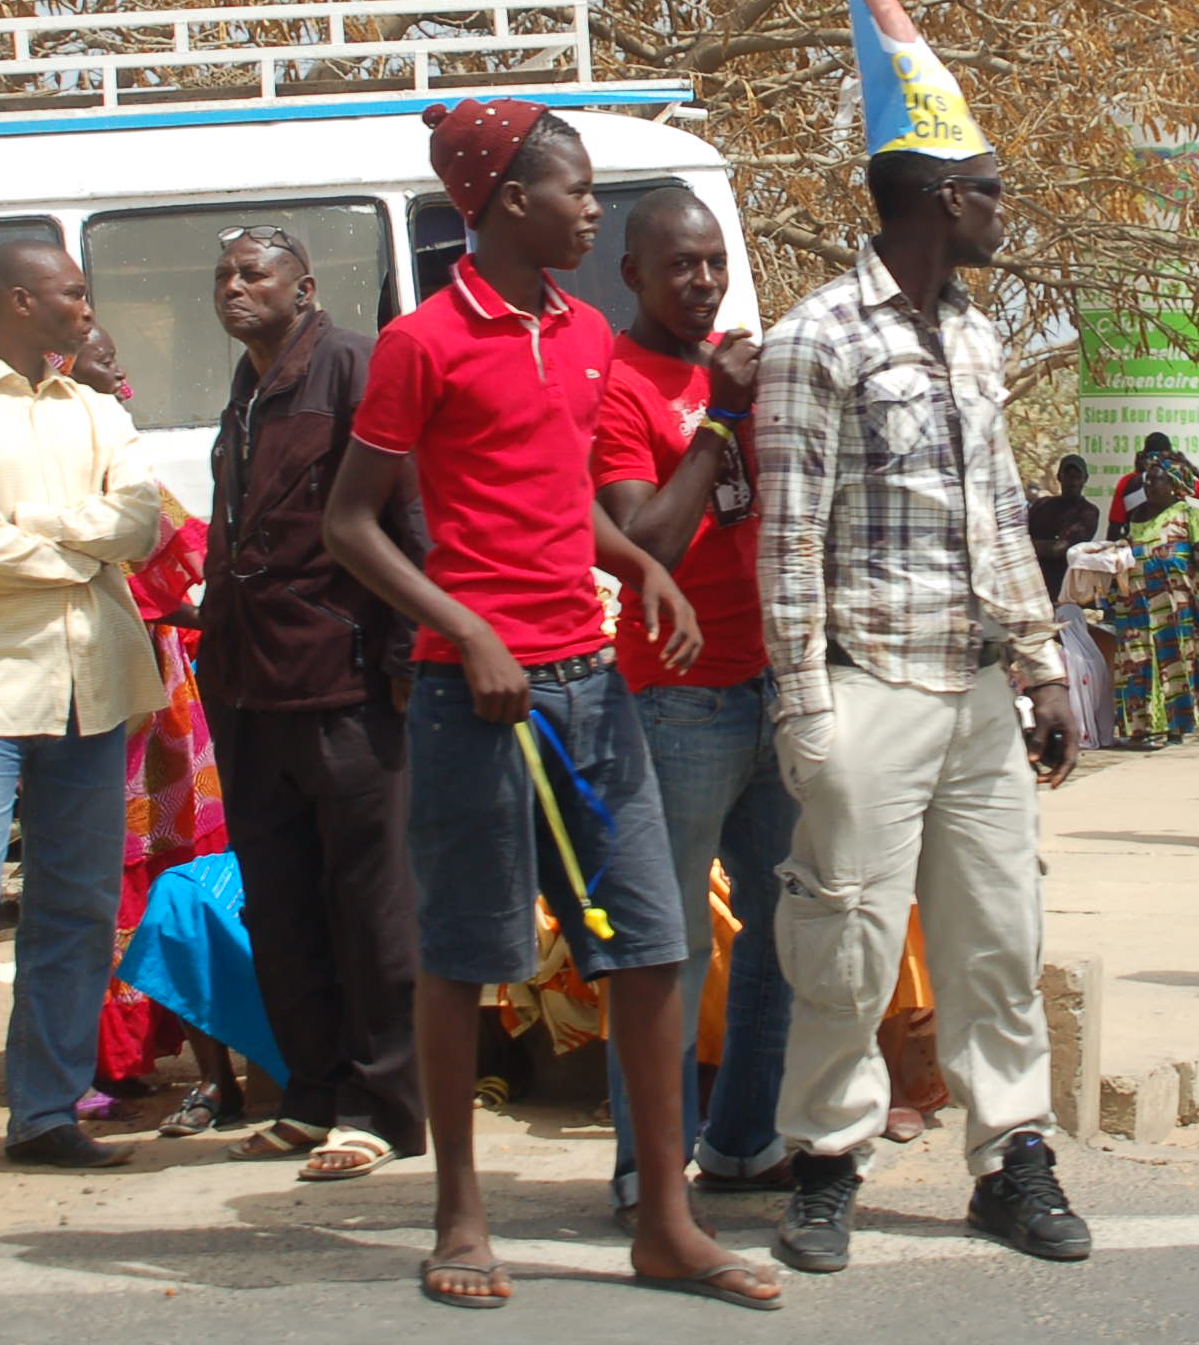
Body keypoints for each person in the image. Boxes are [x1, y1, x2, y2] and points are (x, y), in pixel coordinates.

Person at [324, 97, 772, 1312]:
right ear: (511, 200)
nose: (591, 209)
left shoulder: (581, 336)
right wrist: (465, 628)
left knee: (652, 942)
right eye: (576, 189)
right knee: (465, 954)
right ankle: (459, 1215)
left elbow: (559, 495)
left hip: (591, 680)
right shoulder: (419, 342)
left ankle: (664, 1220)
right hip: (468, 696)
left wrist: (640, 568)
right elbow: (350, 521)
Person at [751, 0, 1092, 1275]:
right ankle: (826, 1161)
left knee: (997, 934)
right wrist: (805, 714)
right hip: (870, 685)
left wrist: (1043, 665)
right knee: (841, 937)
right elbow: (787, 541)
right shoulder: (815, 338)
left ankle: (1012, 1156)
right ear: (942, 196)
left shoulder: (973, 334)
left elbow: (998, 514)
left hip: (976, 694)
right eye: (992, 190)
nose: (1005, 211)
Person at [0, 240, 164, 1212]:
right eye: (71, 292)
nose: (86, 307)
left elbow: (141, 525)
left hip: (92, 689)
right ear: (18, 300)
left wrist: (30, 532)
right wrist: (81, 551)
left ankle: (46, 1114)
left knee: (77, 908)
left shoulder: (99, 410)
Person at [195, 227, 423, 1180]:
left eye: (255, 272)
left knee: (368, 905)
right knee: (281, 905)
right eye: (224, 275)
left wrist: (408, 651)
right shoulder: (247, 389)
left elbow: (407, 513)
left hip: (347, 681)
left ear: (306, 286)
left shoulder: (353, 369)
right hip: (251, 688)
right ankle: (312, 1095)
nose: (234, 286)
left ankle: (384, 1108)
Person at [592, 186, 797, 1218]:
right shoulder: (616, 387)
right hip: (675, 701)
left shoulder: (745, 370)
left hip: (773, 686)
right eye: (680, 264)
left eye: (714, 261)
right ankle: (647, 1165)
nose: (704, 282)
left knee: (785, 925)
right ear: (632, 273)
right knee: (663, 943)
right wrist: (716, 417)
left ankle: (745, 1140)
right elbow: (649, 544)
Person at [61, 331, 241, 1137]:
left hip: (158, 690)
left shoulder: (111, 452)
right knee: (126, 867)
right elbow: (168, 569)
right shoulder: (85, 461)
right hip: (127, 694)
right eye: (102, 357)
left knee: (162, 866)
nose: (120, 368)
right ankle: (109, 1052)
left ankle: (136, 1047)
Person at [1099, 450, 1199, 746]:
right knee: (1135, 663)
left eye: (1155, 481)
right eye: (1147, 481)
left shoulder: (1188, 516)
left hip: (1174, 608)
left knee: (1174, 664)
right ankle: (1141, 728)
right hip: (1135, 607)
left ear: (1173, 485)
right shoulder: (1137, 516)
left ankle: (1174, 725)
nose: (1148, 486)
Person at [1026, 454, 1102, 601]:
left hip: (1067, 591)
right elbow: (1019, 536)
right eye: (1068, 476)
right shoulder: (1041, 505)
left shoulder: (1089, 512)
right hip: (1034, 586)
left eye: (1077, 476)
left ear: (1085, 479)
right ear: (1059, 477)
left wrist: (1026, 546)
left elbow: (1059, 549)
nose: (1072, 481)